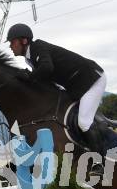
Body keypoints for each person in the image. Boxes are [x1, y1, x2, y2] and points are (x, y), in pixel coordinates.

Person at [6, 23, 107, 176]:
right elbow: (45, 81)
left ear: (24, 41)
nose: (10, 46)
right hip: (75, 86)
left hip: (92, 80)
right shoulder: (30, 59)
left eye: (12, 42)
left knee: (84, 122)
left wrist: (29, 77)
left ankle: (100, 163)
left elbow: (47, 68)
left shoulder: (38, 47)